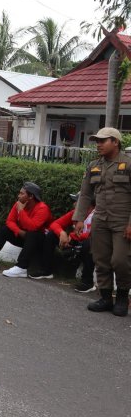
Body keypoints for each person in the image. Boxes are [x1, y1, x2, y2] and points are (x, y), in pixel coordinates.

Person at [74, 127, 131, 316]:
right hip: (100, 219)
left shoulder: (128, 164)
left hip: (122, 220)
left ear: (115, 142)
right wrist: (79, 218)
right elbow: (85, 194)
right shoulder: (93, 165)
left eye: (102, 141)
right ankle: (106, 298)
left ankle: (122, 297)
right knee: (101, 259)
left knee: (120, 260)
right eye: (97, 141)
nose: (98, 144)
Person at [0, 182, 53, 277]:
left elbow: (32, 227)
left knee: (33, 234)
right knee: (4, 230)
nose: (18, 196)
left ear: (31, 196)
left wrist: (21, 211)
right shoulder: (19, 204)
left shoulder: (42, 208)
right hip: (24, 236)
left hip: (38, 242)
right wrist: (19, 232)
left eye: (22, 194)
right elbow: (9, 221)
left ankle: (21, 267)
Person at [36, 192, 95, 289]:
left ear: (86, 204)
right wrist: (62, 233)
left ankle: (87, 282)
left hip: (91, 246)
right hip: (76, 242)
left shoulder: (96, 215)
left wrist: (72, 236)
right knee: (51, 234)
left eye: (76, 201)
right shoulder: (75, 213)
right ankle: (46, 271)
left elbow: (94, 235)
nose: (74, 204)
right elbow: (54, 224)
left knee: (89, 243)